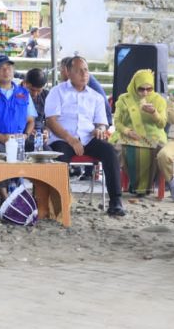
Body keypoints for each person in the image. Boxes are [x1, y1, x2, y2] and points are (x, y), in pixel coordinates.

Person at [45, 56, 126, 216]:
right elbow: (51, 121)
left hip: (88, 138)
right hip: (63, 139)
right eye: (79, 71)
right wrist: (71, 139)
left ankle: (116, 201)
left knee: (110, 151)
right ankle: (60, 202)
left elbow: (101, 123)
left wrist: (100, 129)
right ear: (69, 72)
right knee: (59, 158)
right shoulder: (57, 92)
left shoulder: (96, 96)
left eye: (86, 70)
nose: (84, 74)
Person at [110, 69, 167, 195]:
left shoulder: (158, 100)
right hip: (128, 135)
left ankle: (145, 185)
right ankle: (134, 183)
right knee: (118, 149)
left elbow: (162, 124)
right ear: (134, 86)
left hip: (152, 135)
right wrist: (128, 131)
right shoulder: (124, 99)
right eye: (141, 89)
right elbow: (117, 122)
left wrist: (154, 113)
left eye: (149, 89)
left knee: (159, 149)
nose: (145, 93)